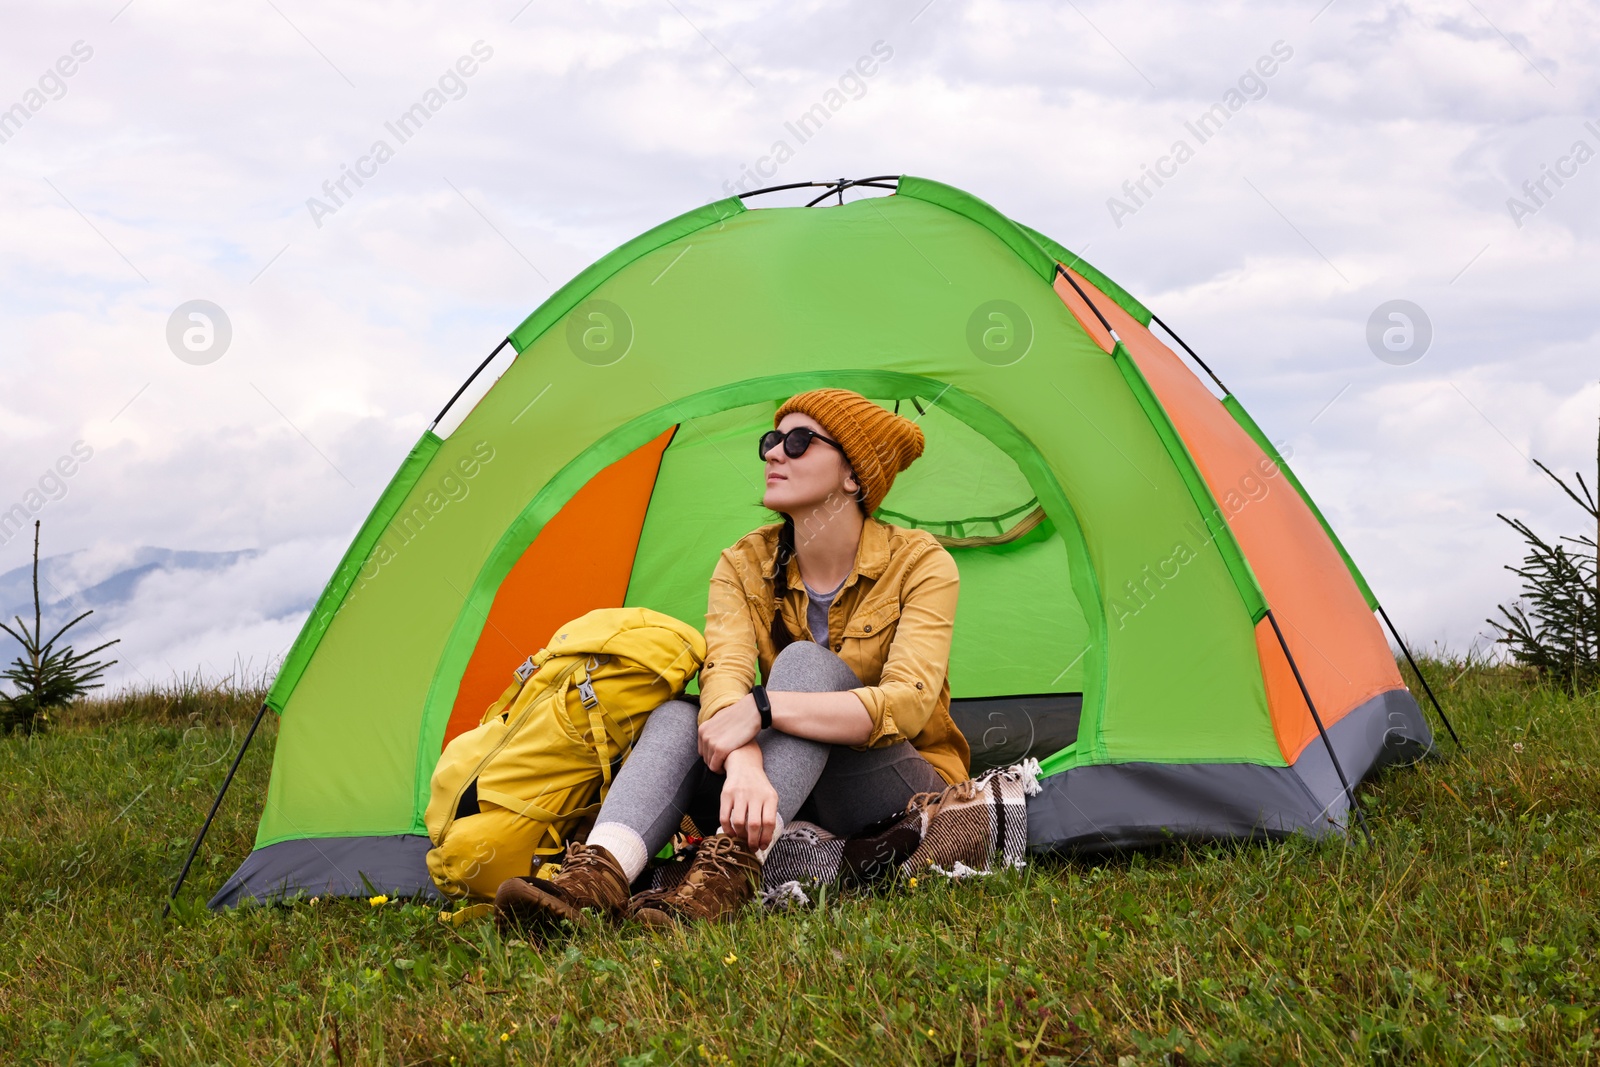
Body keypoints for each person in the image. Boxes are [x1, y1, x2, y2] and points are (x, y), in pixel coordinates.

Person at [494, 388, 970, 933]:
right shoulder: (744, 563)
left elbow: (907, 705)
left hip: (886, 784)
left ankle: (725, 879)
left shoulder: (921, 563)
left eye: (797, 442)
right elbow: (724, 675)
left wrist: (764, 708)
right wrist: (744, 761)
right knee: (676, 714)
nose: (773, 454)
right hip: (774, 785)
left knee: (806, 665)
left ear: (854, 476)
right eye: (771, 441)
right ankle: (593, 881)